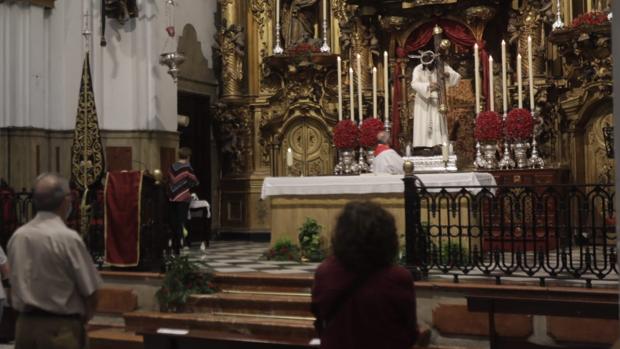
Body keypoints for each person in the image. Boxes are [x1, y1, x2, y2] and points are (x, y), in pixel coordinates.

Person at [8, 173, 102, 349]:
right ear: (65, 201)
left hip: (24, 327)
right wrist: (82, 320)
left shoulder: (18, 236)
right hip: (59, 329)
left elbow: (11, 283)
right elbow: (91, 291)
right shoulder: (67, 238)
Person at [311, 201, 418, 349]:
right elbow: (410, 332)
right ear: (388, 237)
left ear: (341, 234)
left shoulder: (325, 272)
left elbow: (319, 318)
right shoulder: (398, 277)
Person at [410, 58, 461, 149]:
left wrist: (448, 74)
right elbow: (414, 84)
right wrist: (428, 86)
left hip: (437, 100)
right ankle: (422, 145)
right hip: (422, 101)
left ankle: (438, 144)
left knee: (437, 123)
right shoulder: (418, 69)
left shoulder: (441, 65)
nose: (428, 65)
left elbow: (456, 76)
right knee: (423, 123)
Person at [168, 147, 199, 254]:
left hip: (172, 197)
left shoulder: (172, 166)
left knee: (174, 220)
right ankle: (183, 242)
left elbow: (170, 180)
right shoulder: (187, 167)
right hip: (183, 197)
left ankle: (173, 242)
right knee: (182, 220)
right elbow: (194, 181)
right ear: (188, 156)